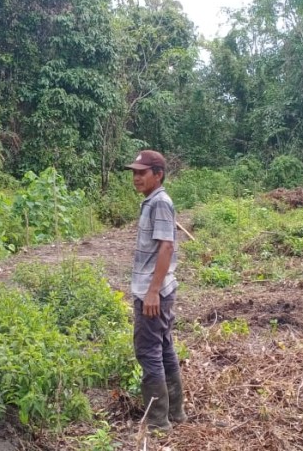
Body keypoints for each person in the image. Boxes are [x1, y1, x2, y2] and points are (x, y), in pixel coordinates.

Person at [124, 150, 187, 432]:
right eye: (135, 172)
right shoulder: (151, 202)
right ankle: (174, 413)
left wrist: (152, 292)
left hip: (153, 292)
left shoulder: (159, 202)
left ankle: (158, 420)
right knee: (163, 348)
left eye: (142, 172)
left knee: (148, 351)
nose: (137, 177)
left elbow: (167, 246)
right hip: (155, 290)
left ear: (158, 174)